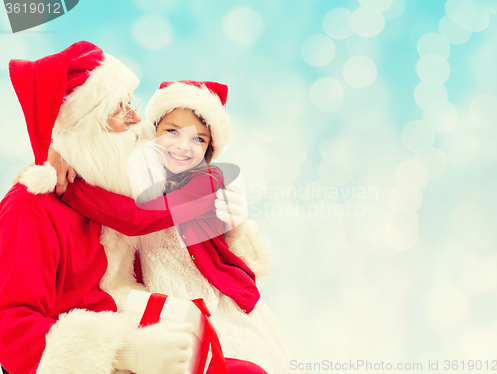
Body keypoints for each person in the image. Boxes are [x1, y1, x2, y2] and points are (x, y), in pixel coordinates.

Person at [0, 42, 257, 374]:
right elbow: (9, 329)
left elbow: (137, 216)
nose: (137, 118)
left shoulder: (121, 189)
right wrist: (121, 352)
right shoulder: (31, 208)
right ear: (88, 125)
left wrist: (236, 230)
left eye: (132, 104)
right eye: (121, 109)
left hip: (179, 317)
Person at [47, 80, 307, 374]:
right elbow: (97, 151)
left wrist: (69, 188)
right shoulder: (137, 170)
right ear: (152, 130)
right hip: (158, 296)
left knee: (244, 359)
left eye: (199, 139)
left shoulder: (208, 182)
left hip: (212, 297)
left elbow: (137, 219)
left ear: (210, 148)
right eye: (172, 131)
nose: (183, 146)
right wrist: (57, 153)